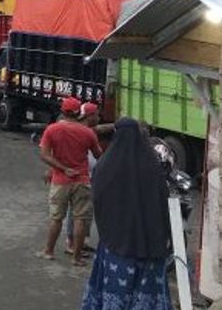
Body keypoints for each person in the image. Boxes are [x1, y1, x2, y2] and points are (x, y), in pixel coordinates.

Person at [80, 117, 172, 309]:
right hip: (151, 248)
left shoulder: (105, 166)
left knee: (116, 293)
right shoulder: (153, 167)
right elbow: (163, 203)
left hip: (117, 246)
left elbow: (98, 199)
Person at [38, 97, 103, 266]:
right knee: (80, 219)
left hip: (60, 180)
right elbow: (98, 155)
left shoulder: (52, 129)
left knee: (56, 218)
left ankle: (49, 251)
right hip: (82, 180)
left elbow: (44, 155)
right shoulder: (88, 133)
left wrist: (62, 168)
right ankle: (76, 257)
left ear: (63, 111)